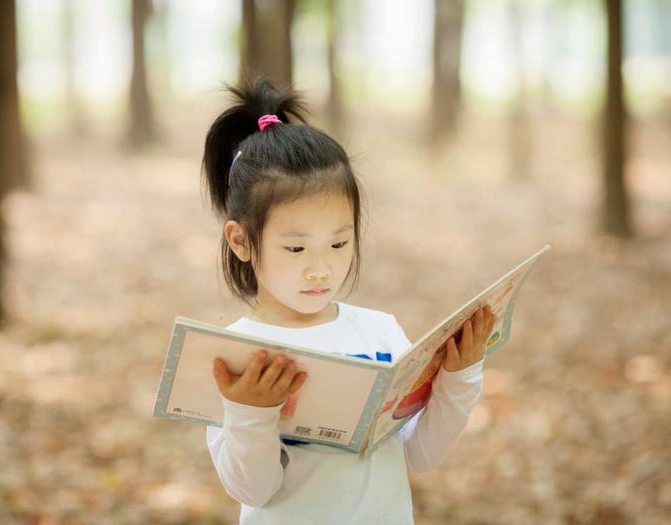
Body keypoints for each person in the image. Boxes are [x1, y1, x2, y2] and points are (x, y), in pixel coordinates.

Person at [201, 77, 496, 525]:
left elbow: (421, 455)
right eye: (296, 249)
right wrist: (250, 411)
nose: (321, 268)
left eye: (338, 244)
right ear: (241, 241)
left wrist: (460, 374)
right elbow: (253, 490)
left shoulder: (380, 332)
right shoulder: (235, 356)